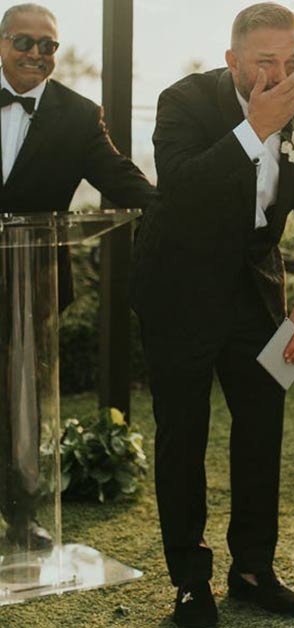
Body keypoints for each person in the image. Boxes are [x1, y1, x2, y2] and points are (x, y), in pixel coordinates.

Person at [131, 3, 294, 626]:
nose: (282, 75)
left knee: (261, 430)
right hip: (178, 289)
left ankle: (253, 569)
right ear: (233, 62)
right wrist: (254, 127)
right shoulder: (182, 102)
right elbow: (186, 191)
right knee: (182, 436)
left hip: (256, 292)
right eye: (265, 62)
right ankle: (190, 581)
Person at [0, 2, 156, 551]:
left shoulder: (78, 114)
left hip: (31, 283)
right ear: (1, 44)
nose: (37, 55)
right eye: (25, 43)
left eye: (49, 46)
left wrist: (176, 211)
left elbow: (121, 177)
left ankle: (23, 519)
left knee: (22, 404)